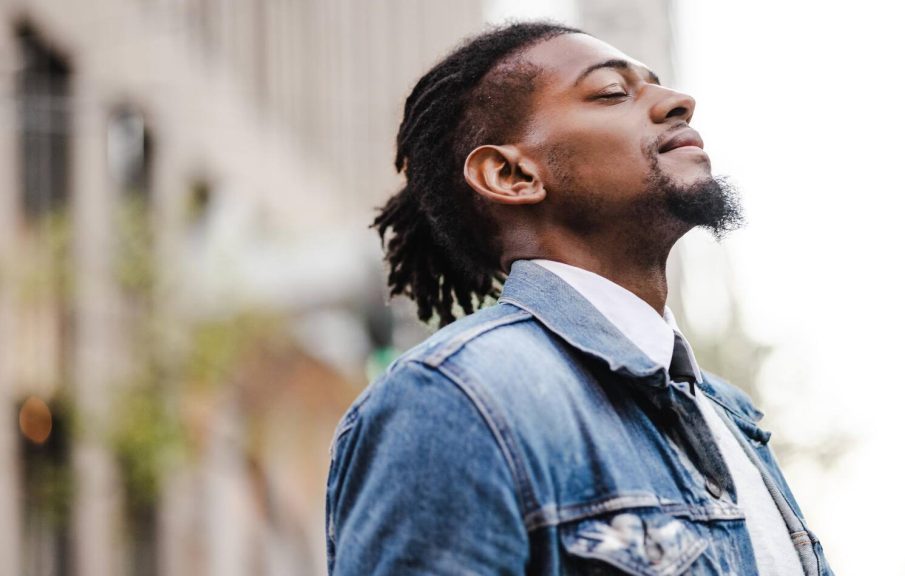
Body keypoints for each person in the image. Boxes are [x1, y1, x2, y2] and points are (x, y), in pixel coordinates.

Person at [325, 21, 833, 575]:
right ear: (512, 174)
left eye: (656, 84)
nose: (680, 102)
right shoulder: (456, 396)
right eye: (613, 92)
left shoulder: (729, 413)